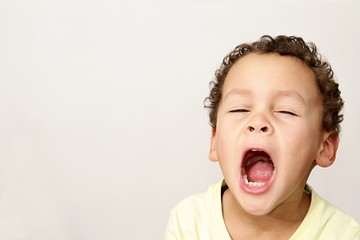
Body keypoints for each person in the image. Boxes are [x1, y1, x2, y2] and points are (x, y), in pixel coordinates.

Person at [164, 35, 360, 239]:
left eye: (286, 111)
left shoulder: (344, 234)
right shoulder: (189, 222)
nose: (258, 121)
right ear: (215, 141)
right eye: (239, 109)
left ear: (325, 147)